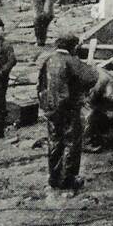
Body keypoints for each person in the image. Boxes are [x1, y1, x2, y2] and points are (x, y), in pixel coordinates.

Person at [37, 34, 102, 197]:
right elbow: (91, 78)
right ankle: (68, 178)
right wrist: (91, 66)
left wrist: (45, 104)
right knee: (71, 142)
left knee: (54, 142)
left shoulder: (48, 60)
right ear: (72, 47)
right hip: (68, 108)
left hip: (51, 108)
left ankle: (54, 177)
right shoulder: (72, 61)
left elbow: (40, 83)